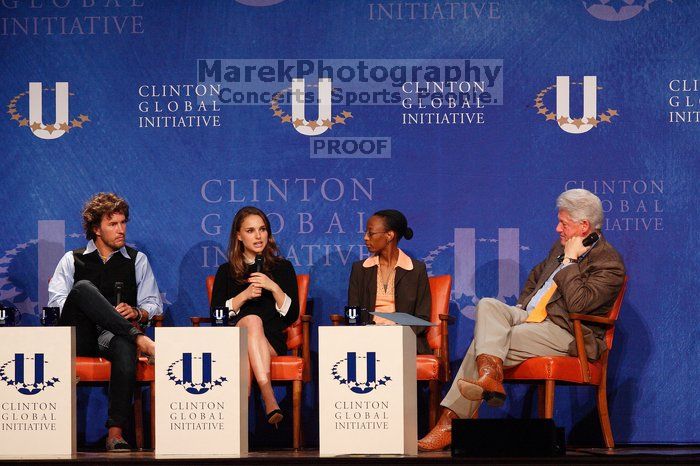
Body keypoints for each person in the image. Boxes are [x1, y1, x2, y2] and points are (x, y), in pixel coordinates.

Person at [418, 189, 626, 451]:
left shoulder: (608, 263)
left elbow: (579, 304)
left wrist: (571, 262)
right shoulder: (558, 248)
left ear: (584, 226)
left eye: (564, 223)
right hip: (530, 317)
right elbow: (538, 278)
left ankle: (451, 419)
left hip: (566, 332)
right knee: (488, 305)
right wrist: (522, 306)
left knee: (485, 342)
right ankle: (489, 376)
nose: (557, 228)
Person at [48, 192, 162, 452]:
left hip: (114, 336)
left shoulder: (137, 260)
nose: (121, 230)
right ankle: (141, 339)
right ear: (96, 229)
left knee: (124, 346)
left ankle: (115, 433)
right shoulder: (71, 259)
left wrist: (138, 312)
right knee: (83, 288)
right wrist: (96, 309)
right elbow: (57, 304)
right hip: (80, 335)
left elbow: (153, 305)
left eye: (123, 223)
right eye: (113, 224)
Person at [210, 206, 299, 426]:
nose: (258, 236)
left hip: (270, 341)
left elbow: (292, 315)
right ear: (238, 236)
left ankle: (233, 427)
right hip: (235, 342)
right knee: (250, 321)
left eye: (262, 229)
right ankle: (268, 395)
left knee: (253, 325)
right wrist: (244, 296)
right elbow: (216, 316)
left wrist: (274, 287)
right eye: (250, 231)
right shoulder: (226, 271)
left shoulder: (283, 268)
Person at [347, 209, 432, 354]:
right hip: (367, 341)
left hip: (404, 341)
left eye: (371, 233)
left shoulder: (416, 269)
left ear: (389, 235)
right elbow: (352, 313)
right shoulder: (360, 269)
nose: (365, 238)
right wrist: (361, 335)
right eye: (366, 233)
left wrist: (396, 335)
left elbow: (422, 317)